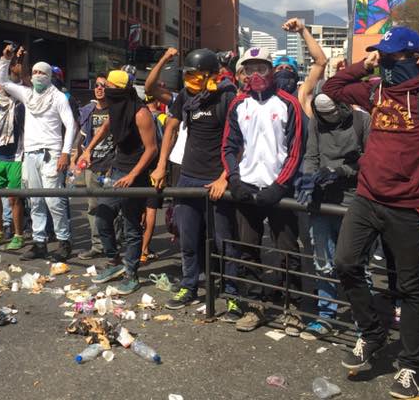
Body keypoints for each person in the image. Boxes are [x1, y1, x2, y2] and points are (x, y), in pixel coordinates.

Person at [324, 26, 419, 399]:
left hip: (409, 206)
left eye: (393, 56)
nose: (387, 62)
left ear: (414, 57)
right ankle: (372, 331)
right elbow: (331, 90)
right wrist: (364, 63)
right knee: (344, 264)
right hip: (366, 197)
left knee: (409, 289)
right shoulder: (376, 88)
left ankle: (408, 364)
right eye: (384, 56)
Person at [151, 49, 241, 316]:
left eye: (195, 74)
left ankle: (233, 294)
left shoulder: (227, 97)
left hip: (216, 179)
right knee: (187, 240)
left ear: (212, 75)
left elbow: (239, 141)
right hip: (187, 177)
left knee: (225, 243)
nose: (190, 79)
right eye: (187, 74)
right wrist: (160, 166)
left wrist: (225, 178)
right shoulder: (186, 97)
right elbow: (171, 128)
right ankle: (189, 286)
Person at [222, 47, 305, 333]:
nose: (256, 74)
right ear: (242, 73)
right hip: (246, 187)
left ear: (272, 71)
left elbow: (295, 150)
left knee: (288, 252)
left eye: (262, 68)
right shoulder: (237, 104)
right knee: (248, 250)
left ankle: (292, 309)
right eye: (250, 68)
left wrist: (280, 184)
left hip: (279, 191)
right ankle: (254, 306)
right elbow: (229, 147)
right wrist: (234, 178)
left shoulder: (289, 103)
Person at [297, 93, 370, 340]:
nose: (329, 118)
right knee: (322, 260)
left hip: (354, 200)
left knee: (357, 264)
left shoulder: (362, 121)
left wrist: (341, 171)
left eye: (332, 114)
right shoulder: (317, 121)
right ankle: (326, 314)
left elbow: (370, 161)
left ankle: (364, 321)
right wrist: (308, 178)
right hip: (322, 199)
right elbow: (312, 154)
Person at [79, 69, 158, 295]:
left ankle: (131, 273)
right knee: (103, 216)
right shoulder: (116, 107)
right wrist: (88, 150)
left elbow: (151, 149)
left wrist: (133, 175)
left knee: (131, 226)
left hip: (136, 175)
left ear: (120, 90)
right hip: (117, 171)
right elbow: (105, 128)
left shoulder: (141, 113)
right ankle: (114, 262)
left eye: (109, 86)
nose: (104, 89)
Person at [0, 45, 76, 261]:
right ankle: (39, 243)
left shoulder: (59, 97)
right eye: (35, 73)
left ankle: (64, 242)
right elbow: (2, 82)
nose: (38, 76)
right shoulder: (27, 94)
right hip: (30, 154)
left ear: (50, 76)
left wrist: (66, 153)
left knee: (54, 201)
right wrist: (5, 60)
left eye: (42, 73)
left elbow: (71, 125)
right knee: (35, 201)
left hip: (51, 153)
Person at [0, 51, 26, 250]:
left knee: (14, 199)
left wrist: (17, 61)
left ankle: (18, 235)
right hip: (0, 156)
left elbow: (20, 78)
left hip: (17, 157)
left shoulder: (22, 102)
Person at [76, 75, 115, 260]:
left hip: (112, 166)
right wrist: (75, 157)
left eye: (104, 86)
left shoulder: (115, 110)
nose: (100, 88)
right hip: (92, 165)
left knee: (113, 206)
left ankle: (113, 245)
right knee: (93, 206)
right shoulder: (89, 111)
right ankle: (97, 245)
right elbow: (82, 136)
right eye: (97, 85)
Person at [279, 17, 329, 116]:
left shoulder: (302, 95)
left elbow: (321, 62)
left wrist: (302, 30)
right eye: (279, 68)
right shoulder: (264, 99)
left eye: (288, 68)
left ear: (296, 75)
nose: (284, 70)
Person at [141, 94, 166, 263]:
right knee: (151, 211)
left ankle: (135, 246)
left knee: (139, 209)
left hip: (139, 166)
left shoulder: (140, 116)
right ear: (157, 101)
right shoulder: (164, 117)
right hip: (156, 168)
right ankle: (144, 250)